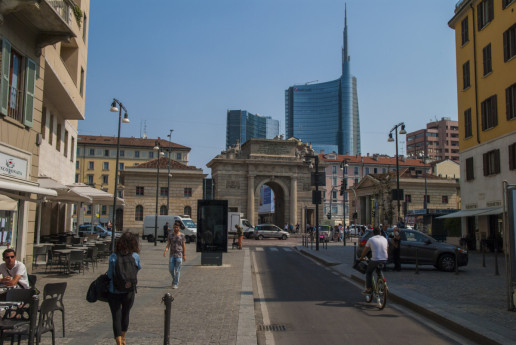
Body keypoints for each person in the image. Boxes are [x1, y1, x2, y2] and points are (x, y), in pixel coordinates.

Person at [106, 232, 141, 345]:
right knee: (126, 314)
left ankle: (118, 341)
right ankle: (124, 338)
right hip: (129, 291)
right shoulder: (135, 256)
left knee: (116, 316)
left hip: (114, 291)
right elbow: (137, 269)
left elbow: (110, 275)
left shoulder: (113, 256)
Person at [359, 227, 388, 295]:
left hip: (375, 260)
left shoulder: (371, 239)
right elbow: (386, 249)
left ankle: (369, 289)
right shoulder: (384, 239)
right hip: (384, 259)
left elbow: (365, 251)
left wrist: (361, 258)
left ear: (373, 233)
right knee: (379, 271)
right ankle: (384, 284)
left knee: (369, 272)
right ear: (380, 233)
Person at [163, 221, 186, 289]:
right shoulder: (170, 235)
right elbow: (168, 244)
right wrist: (166, 250)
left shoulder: (182, 235)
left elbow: (184, 246)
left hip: (179, 254)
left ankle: (175, 283)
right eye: (174, 227)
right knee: (171, 269)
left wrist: (184, 255)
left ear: (179, 228)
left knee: (177, 270)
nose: (175, 228)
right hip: (172, 254)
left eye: (176, 227)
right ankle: (174, 279)